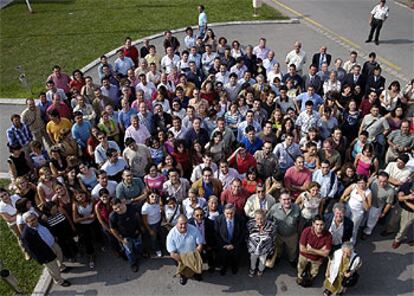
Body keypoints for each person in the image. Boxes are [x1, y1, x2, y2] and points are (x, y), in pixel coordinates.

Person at [21, 212, 71, 287]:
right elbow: (31, 250)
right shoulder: (26, 235)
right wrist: (41, 260)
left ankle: (61, 266)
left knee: (60, 254)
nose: (34, 221)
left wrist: (54, 236)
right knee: (53, 268)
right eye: (31, 221)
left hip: (53, 243)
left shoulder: (40, 222)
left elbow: (49, 227)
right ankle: (59, 280)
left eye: (34, 219)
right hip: (45, 252)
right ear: (26, 222)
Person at [166, 214, 203, 285]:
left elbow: (200, 244)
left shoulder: (194, 229)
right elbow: (172, 253)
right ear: (176, 223)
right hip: (180, 257)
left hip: (193, 255)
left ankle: (196, 274)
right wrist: (184, 260)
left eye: (185, 223)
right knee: (183, 270)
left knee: (195, 267)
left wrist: (195, 256)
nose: (183, 226)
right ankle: (183, 276)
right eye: (181, 224)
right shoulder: (171, 235)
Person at [297, 215, 332, 287]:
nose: (319, 227)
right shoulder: (306, 231)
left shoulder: (328, 235)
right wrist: (320, 251)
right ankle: (300, 277)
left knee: (314, 272)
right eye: (317, 224)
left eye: (321, 225)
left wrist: (311, 249)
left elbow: (326, 254)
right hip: (304, 256)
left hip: (317, 259)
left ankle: (311, 278)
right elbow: (302, 249)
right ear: (313, 224)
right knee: (301, 266)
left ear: (324, 225)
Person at [110, 198, 143, 272]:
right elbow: (113, 229)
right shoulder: (113, 216)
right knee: (129, 251)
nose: (118, 209)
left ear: (122, 203)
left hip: (136, 232)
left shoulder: (131, 208)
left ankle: (140, 255)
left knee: (139, 245)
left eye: (119, 206)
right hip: (125, 237)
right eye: (115, 209)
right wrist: (121, 240)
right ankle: (133, 263)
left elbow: (137, 216)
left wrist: (140, 227)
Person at [215, 203, 246, 275]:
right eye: (227, 213)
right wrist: (224, 245)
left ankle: (234, 267)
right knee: (223, 258)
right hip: (223, 244)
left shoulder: (240, 219)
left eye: (231, 213)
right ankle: (223, 268)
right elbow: (216, 234)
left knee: (235, 258)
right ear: (223, 212)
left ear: (235, 211)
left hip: (235, 244)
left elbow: (242, 233)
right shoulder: (218, 219)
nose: (229, 215)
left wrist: (234, 245)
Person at [340, 175, 372, 244]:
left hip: (358, 213)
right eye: (359, 182)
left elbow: (367, 208)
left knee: (354, 228)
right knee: (344, 223)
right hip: (348, 208)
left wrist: (363, 198)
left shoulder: (368, 192)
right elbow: (345, 193)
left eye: (362, 183)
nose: (361, 185)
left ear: (366, 183)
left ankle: (351, 243)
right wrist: (342, 200)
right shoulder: (354, 186)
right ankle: (341, 238)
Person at [247, 209, 277, 277]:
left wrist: (271, 249)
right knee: (253, 259)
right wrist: (249, 245)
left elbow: (273, 238)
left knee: (262, 261)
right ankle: (252, 269)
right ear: (255, 218)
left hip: (265, 248)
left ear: (265, 218)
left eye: (262, 218)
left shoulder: (271, 226)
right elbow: (247, 235)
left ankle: (260, 270)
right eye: (258, 219)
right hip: (253, 248)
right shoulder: (250, 224)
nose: (260, 221)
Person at [188, 207, 216, 272]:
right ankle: (199, 269)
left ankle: (211, 266)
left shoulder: (210, 222)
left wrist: (210, 245)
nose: (199, 217)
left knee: (210, 255)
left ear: (204, 215)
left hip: (206, 242)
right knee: (198, 257)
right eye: (197, 215)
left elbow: (212, 234)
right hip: (196, 244)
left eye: (201, 215)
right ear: (193, 215)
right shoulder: (189, 223)